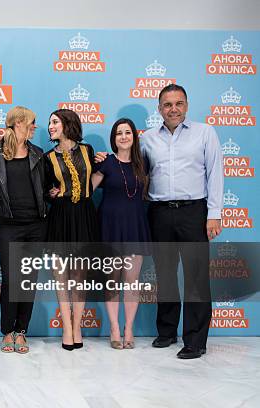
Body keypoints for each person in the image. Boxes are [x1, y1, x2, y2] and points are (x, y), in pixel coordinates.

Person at [143, 84, 223, 359]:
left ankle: (195, 340)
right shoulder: (148, 138)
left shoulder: (205, 133)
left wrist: (214, 214)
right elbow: (137, 173)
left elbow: (215, 175)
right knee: (165, 275)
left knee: (196, 278)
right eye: (167, 104)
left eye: (178, 103)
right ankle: (166, 332)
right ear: (159, 108)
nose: (173, 109)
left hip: (194, 211)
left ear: (186, 106)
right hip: (159, 212)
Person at [0, 106, 47, 354]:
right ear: (18, 123)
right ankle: (7, 331)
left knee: (29, 280)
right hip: (7, 225)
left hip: (36, 225)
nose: (35, 127)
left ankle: (21, 331)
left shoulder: (38, 153)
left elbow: (47, 185)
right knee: (11, 279)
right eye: (31, 123)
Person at [91, 118, 149, 350]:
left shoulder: (144, 164)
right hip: (110, 227)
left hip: (135, 226)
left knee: (132, 281)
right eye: (118, 134)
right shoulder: (105, 163)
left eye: (127, 132)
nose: (123, 137)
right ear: (113, 139)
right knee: (112, 281)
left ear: (134, 137)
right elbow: (86, 191)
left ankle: (129, 328)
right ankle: (114, 328)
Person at [44, 108, 99, 351]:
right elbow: (45, 190)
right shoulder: (48, 158)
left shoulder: (88, 150)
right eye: (49, 124)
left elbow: (92, 181)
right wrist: (51, 193)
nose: (50, 127)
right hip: (60, 217)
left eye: (54, 122)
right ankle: (66, 328)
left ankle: (78, 328)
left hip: (85, 215)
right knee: (61, 277)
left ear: (67, 124)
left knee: (79, 277)